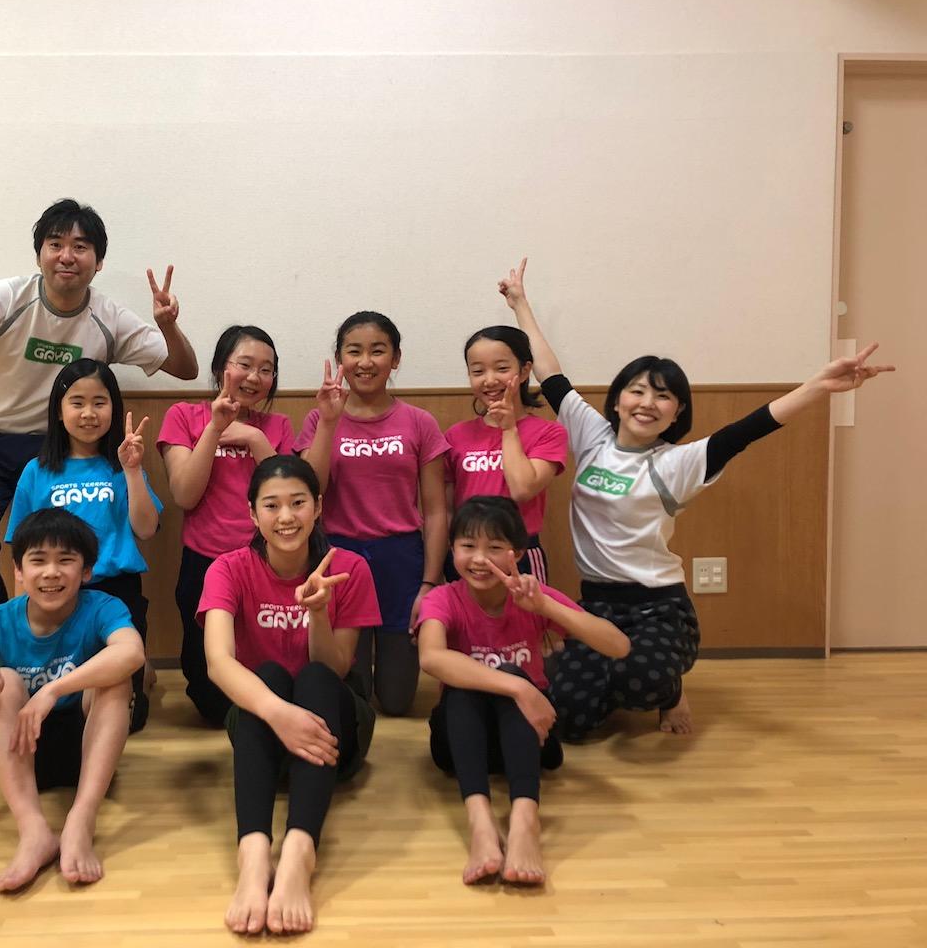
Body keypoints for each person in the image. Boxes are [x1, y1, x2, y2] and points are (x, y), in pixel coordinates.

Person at [501, 257, 894, 737]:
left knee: (640, 681)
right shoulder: (592, 436)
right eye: (637, 391)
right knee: (570, 720)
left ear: (677, 412)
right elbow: (551, 375)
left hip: (658, 608)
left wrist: (819, 385)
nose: (648, 403)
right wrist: (520, 303)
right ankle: (606, 682)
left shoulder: (678, 462)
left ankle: (670, 691)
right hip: (596, 605)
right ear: (618, 399)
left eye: (662, 396)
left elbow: (750, 428)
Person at [0, 198, 198, 628]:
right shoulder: (5, 299)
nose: (67, 256)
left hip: (65, 450)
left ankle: (86, 639)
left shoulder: (107, 317)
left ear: (98, 262)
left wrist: (167, 325)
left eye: (81, 247)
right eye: (55, 244)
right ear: (39, 255)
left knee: (68, 552)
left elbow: (185, 368)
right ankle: (1, 640)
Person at [199, 455, 381, 934]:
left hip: (332, 737)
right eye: (272, 505)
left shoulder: (348, 568)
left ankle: (300, 852)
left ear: (318, 507)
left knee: (316, 678)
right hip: (264, 730)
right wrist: (280, 715)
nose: (286, 517)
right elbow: (218, 663)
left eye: (298, 503)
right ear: (252, 513)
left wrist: (318, 612)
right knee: (269, 677)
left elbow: (337, 668)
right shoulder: (227, 569)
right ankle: (254, 855)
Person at [416, 496, 629, 886]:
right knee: (468, 686)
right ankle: (481, 824)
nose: (480, 559)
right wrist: (519, 687)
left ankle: (525, 821)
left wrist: (547, 608)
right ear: (452, 550)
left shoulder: (534, 597)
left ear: (516, 553)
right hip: (461, 741)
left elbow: (618, 646)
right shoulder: (442, 599)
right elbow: (431, 657)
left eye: (494, 547)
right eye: (468, 546)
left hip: (529, 739)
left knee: (506, 674)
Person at [0, 509, 144, 892]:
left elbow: (132, 652)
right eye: (38, 560)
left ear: (86, 571)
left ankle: (81, 820)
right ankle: (33, 831)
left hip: (89, 750)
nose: (51, 572)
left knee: (115, 679)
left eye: (65, 560)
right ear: (18, 571)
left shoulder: (103, 607)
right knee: (5, 681)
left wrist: (53, 690)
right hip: (22, 752)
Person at [297, 312, 449, 716]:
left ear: (395, 358)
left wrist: (430, 583)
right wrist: (329, 422)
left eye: (377, 351)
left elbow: (436, 511)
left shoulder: (420, 422)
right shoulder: (319, 418)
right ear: (340, 359)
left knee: (397, 701)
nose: (365, 362)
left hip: (401, 558)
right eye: (354, 351)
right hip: (339, 557)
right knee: (354, 692)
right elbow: (310, 491)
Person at [4, 359, 162, 732]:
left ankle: (141, 670)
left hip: (116, 591)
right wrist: (20, 613)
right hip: (55, 591)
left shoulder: (121, 465)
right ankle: (142, 669)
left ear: (114, 409)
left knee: (129, 720)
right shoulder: (37, 470)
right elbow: (21, 549)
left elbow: (147, 529)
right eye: (77, 402)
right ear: (59, 412)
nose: (88, 413)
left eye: (99, 402)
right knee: (64, 708)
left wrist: (132, 470)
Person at [157, 326, 295, 725]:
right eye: (245, 365)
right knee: (213, 706)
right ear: (221, 367)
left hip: (266, 562)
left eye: (266, 369)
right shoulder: (184, 416)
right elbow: (185, 494)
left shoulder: (277, 426)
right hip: (205, 563)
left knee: (269, 673)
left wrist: (253, 437)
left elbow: (288, 495)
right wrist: (215, 429)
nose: (254, 377)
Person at [444, 325, 568, 583]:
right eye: (478, 371)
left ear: (524, 370)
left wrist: (509, 429)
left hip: (520, 552)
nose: (489, 380)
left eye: (501, 368)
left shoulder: (548, 432)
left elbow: (522, 489)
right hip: (467, 553)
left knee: (527, 610)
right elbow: (447, 508)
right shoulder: (456, 435)